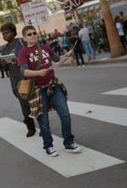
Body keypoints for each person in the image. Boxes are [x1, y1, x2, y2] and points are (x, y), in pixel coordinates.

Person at [17, 25, 81, 158]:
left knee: (65, 115)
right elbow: (24, 71)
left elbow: (57, 59)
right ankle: (49, 146)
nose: (33, 35)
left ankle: (69, 142)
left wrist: (68, 55)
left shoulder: (44, 47)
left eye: (34, 33)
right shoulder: (23, 53)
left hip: (54, 85)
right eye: (29, 34)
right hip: (37, 90)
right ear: (24, 38)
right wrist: (38, 73)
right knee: (44, 121)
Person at [0, 22, 36, 137]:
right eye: (3, 34)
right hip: (16, 81)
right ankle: (30, 127)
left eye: (7, 33)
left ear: (13, 32)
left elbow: (32, 55)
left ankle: (44, 125)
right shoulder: (4, 50)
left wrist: (19, 60)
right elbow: (5, 69)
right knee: (24, 105)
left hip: (29, 77)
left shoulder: (22, 42)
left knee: (36, 102)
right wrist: (2, 63)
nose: (5, 36)